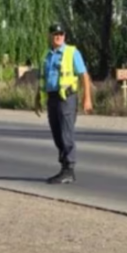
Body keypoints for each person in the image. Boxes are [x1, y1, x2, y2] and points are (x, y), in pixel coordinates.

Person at [33, 23, 93, 184]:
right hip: (52, 98)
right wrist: (37, 98)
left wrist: (87, 98)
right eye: (55, 34)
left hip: (67, 99)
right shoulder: (46, 55)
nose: (58, 36)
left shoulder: (72, 52)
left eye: (61, 34)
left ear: (64, 36)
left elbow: (84, 76)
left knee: (66, 134)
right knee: (57, 134)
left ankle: (69, 169)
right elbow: (43, 79)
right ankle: (64, 168)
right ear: (50, 36)